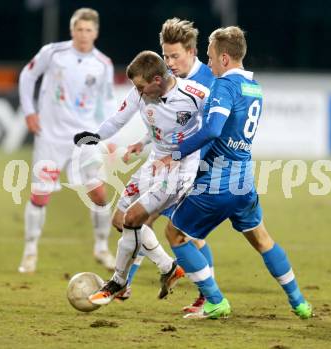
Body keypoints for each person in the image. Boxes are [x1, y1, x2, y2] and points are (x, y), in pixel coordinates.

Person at [154, 26, 313, 320]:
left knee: (175, 233)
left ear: (225, 58)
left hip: (218, 180)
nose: (208, 61)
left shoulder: (224, 86)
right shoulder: (254, 87)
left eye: (211, 56)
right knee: (262, 239)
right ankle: (300, 302)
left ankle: (214, 300)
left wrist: (175, 153)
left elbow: (213, 130)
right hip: (244, 180)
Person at [74, 50, 210, 305]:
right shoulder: (139, 93)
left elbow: (216, 126)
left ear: (157, 80)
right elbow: (117, 120)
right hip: (154, 163)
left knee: (134, 219)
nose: (137, 91)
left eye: (140, 86)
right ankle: (168, 267)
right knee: (119, 220)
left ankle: (119, 283)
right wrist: (95, 137)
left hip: (181, 170)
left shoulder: (195, 95)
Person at [123, 18, 215, 313]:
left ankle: (208, 297)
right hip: (168, 164)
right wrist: (144, 141)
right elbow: (169, 127)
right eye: (165, 56)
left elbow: (212, 129)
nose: (169, 62)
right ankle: (126, 284)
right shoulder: (167, 83)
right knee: (140, 220)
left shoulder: (208, 82)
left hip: (199, 167)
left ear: (191, 51)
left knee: (187, 234)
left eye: (175, 56)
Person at [18, 8, 116, 273]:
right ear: (72, 30)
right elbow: (27, 76)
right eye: (79, 29)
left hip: (84, 138)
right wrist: (29, 111)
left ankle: (102, 247)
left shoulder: (103, 64)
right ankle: (30, 251)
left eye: (88, 30)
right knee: (41, 193)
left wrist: (109, 136)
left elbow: (106, 102)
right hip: (50, 135)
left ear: (95, 32)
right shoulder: (53, 52)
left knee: (98, 193)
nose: (83, 35)